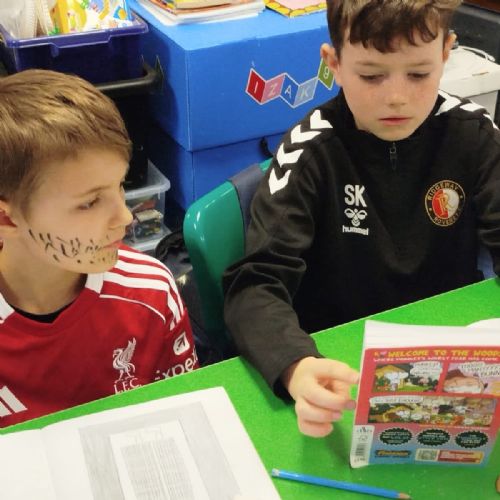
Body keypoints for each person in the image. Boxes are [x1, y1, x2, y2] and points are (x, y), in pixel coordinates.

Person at [223, 0, 500, 438]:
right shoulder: (310, 151)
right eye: (371, 76)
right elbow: (256, 284)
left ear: (447, 52)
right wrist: (297, 366)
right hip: (337, 363)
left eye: (418, 74)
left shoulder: (475, 134)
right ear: (332, 62)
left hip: (451, 361)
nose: (396, 97)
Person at [0, 69, 198, 427]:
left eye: (120, 185)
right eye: (90, 203)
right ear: (7, 219)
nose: (125, 216)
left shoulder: (152, 293)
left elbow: (182, 412)